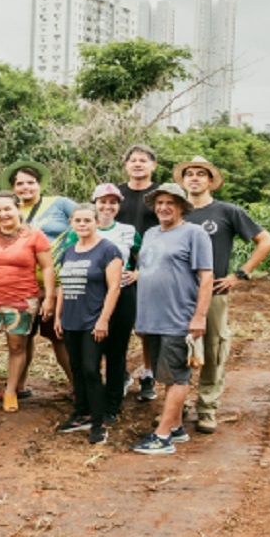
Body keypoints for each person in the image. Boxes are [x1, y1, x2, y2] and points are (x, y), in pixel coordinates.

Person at [179, 156, 270, 434]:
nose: (194, 178)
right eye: (189, 174)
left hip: (213, 292)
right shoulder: (175, 211)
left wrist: (240, 274)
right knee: (176, 348)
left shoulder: (227, 212)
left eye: (201, 174)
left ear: (211, 181)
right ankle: (178, 404)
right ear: (183, 181)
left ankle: (207, 408)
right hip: (178, 293)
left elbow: (267, 241)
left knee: (213, 348)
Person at [130, 184, 214, 455]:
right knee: (164, 375)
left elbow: (206, 277)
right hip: (152, 318)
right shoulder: (151, 233)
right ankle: (175, 427)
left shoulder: (194, 234)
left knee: (178, 376)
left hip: (178, 316)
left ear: (181, 207)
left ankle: (162, 436)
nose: (163, 207)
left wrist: (199, 316)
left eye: (170, 203)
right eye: (159, 202)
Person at [0, 191, 55, 414]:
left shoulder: (35, 236)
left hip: (21, 301)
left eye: (7, 209)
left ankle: (11, 391)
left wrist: (49, 297)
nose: (3, 214)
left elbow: (47, 267)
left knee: (16, 346)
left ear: (18, 209)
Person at [0, 160, 76, 396]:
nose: (25, 187)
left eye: (30, 182)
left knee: (58, 336)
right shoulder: (9, 212)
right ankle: (19, 385)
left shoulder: (60, 204)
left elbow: (86, 219)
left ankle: (77, 386)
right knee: (21, 337)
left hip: (57, 283)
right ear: (13, 189)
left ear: (39, 184)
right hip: (21, 285)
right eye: (20, 184)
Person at [53, 204, 123, 445]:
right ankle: (81, 412)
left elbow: (114, 287)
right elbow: (62, 285)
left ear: (96, 222)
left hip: (93, 320)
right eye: (78, 221)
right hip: (71, 319)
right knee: (76, 368)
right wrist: (57, 316)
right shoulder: (69, 251)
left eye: (87, 220)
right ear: (71, 223)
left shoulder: (108, 250)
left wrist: (104, 319)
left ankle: (98, 421)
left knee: (91, 369)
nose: (82, 225)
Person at [91, 184, 141, 422]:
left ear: (119, 206)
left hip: (122, 294)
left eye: (113, 202)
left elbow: (144, 258)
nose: (107, 206)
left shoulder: (129, 231)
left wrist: (138, 273)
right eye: (102, 201)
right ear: (94, 203)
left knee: (116, 350)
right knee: (90, 351)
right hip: (90, 296)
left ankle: (112, 404)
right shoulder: (83, 227)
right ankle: (91, 400)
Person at [115, 144, 161, 401]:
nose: (138, 164)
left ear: (153, 165)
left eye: (143, 160)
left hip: (152, 266)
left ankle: (148, 374)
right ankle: (120, 374)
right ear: (126, 165)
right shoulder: (117, 194)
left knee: (146, 327)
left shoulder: (159, 194)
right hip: (118, 268)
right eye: (133, 160)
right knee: (118, 324)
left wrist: (145, 270)